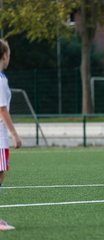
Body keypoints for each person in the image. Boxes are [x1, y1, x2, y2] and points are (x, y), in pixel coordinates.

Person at [0, 39, 22, 231]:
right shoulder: (0, 80)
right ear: (4, 56)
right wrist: (14, 134)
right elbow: (2, 110)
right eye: (9, 55)